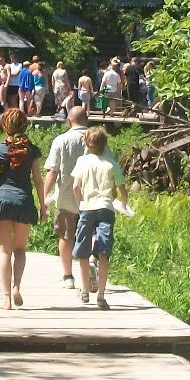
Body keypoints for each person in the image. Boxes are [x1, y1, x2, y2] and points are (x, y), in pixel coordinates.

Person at [0, 108, 45, 310]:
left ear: (4, 125)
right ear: (24, 125)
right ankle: (17, 287)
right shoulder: (31, 150)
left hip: (1, 201)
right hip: (24, 202)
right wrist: (43, 205)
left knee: (4, 251)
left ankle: (6, 298)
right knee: (20, 249)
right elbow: (38, 180)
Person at [71, 126, 128, 309]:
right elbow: (121, 188)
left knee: (82, 249)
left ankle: (85, 290)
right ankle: (101, 295)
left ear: (86, 143)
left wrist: (80, 203)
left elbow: (75, 186)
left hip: (87, 208)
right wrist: (123, 203)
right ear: (105, 144)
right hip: (106, 208)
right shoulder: (111, 164)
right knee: (104, 252)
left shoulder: (82, 162)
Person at [43, 105, 94, 289]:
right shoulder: (95, 138)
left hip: (66, 195)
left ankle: (68, 277)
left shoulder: (61, 140)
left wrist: (44, 196)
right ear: (87, 120)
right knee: (93, 232)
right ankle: (92, 262)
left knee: (66, 236)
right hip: (91, 195)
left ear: (68, 121)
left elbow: (52, 171)